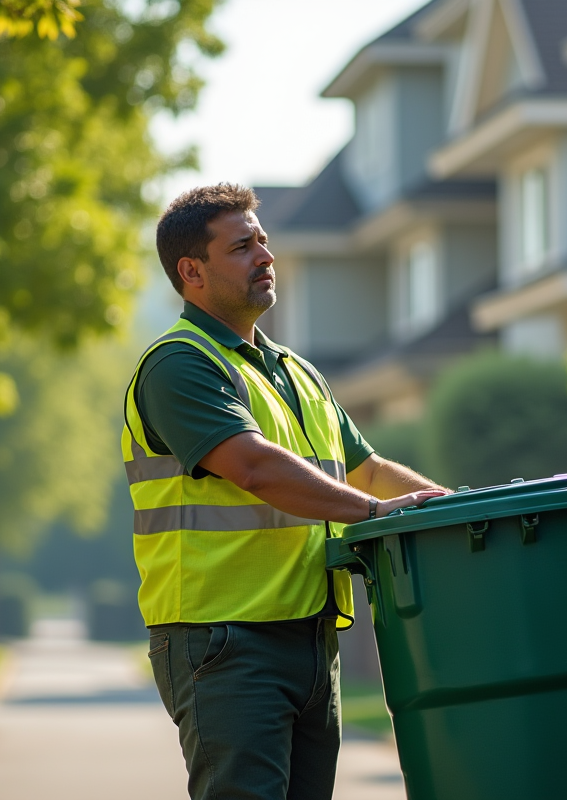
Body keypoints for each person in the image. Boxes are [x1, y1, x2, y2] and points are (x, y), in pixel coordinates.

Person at [121, 183, 447, 800]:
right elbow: (253, 467)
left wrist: (452, 508)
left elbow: (367, 469)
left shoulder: (294, 371)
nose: (266, 257)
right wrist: (377, 515)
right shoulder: (179, 364)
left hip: (309, 635)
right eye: (242, 247)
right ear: (192, 271)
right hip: (224, 641)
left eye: (263, 241)